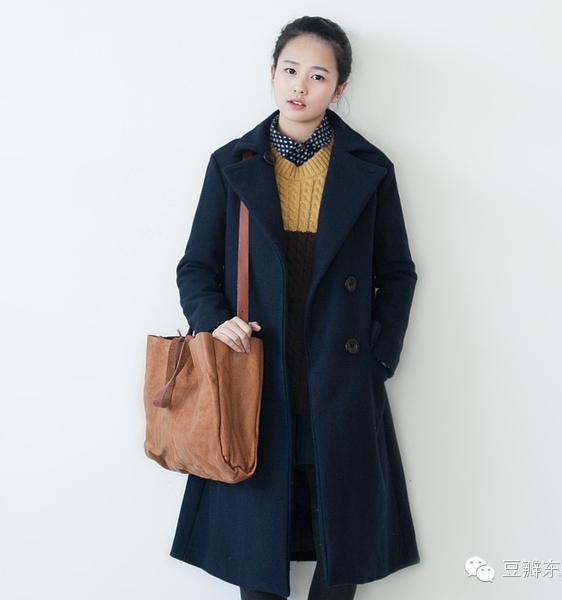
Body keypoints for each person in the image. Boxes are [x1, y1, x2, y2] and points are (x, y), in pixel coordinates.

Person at [171, 16, 420, 600]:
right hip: (256, 377)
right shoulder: (231, 164)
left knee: (343, 549)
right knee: (257, 550)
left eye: (318, 75)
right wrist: (215, 321)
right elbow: (196, 268)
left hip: (341, 380)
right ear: (272, 73)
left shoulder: (370, 168)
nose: (300, 86)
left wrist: (378, 358)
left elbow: (397, 273)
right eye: (290, 70)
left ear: (340, 87)